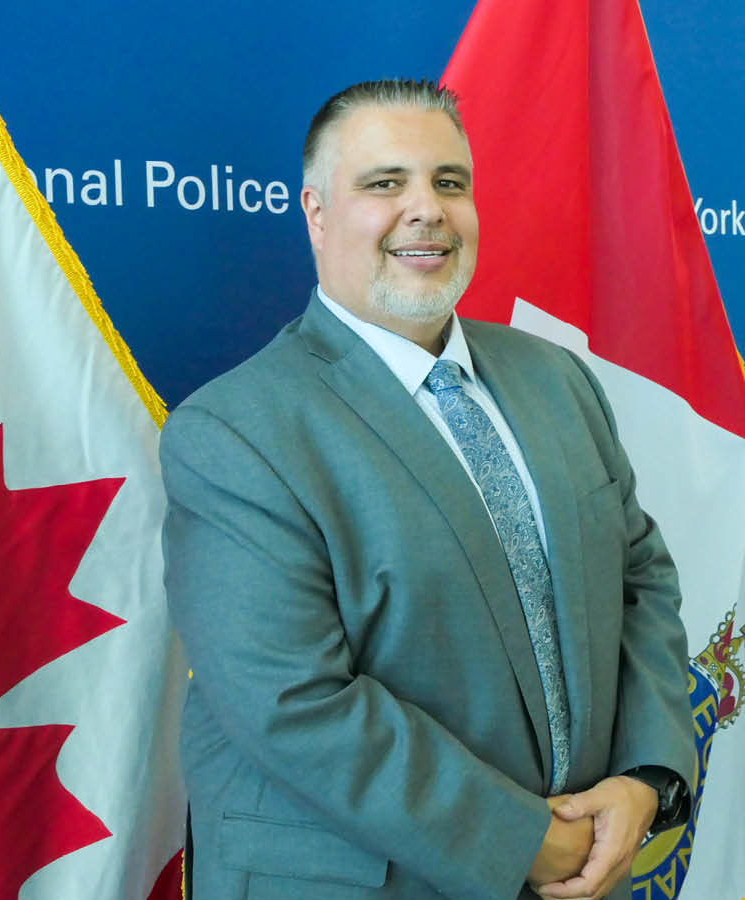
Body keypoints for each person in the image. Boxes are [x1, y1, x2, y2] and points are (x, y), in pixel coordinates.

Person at [159, 80, 693, 900]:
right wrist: (525, 842)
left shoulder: (557, 379)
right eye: (385, 184)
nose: (428, 210)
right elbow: (291, 700)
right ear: (317, 213)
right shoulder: (235, 432)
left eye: (450, 183)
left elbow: (642, 580)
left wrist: (645, 779)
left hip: (594, 868)